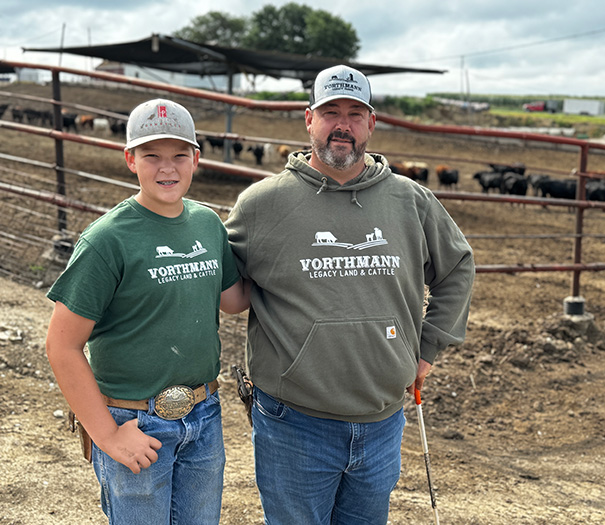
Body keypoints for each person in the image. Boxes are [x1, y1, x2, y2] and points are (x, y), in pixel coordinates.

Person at [225, 65, 475, 524]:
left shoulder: (410, 201)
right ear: (309, 120)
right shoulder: (262, 205)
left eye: (355, 114)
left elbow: (457, 266)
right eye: (330, 112)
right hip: (294, 423)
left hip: (382, 420)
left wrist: (428, 347)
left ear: (371, 124)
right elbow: (221, 286)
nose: (343, 125)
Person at [45, 98, 249, 524]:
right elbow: (62, 346)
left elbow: (234, 301)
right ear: (130, 160)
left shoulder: (207, 224)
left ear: (197, 158)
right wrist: (108, 434)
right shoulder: (107, 240)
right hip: (134, 419)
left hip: (203, 412)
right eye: (151, 155)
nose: (167, 168)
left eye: (179, 155)